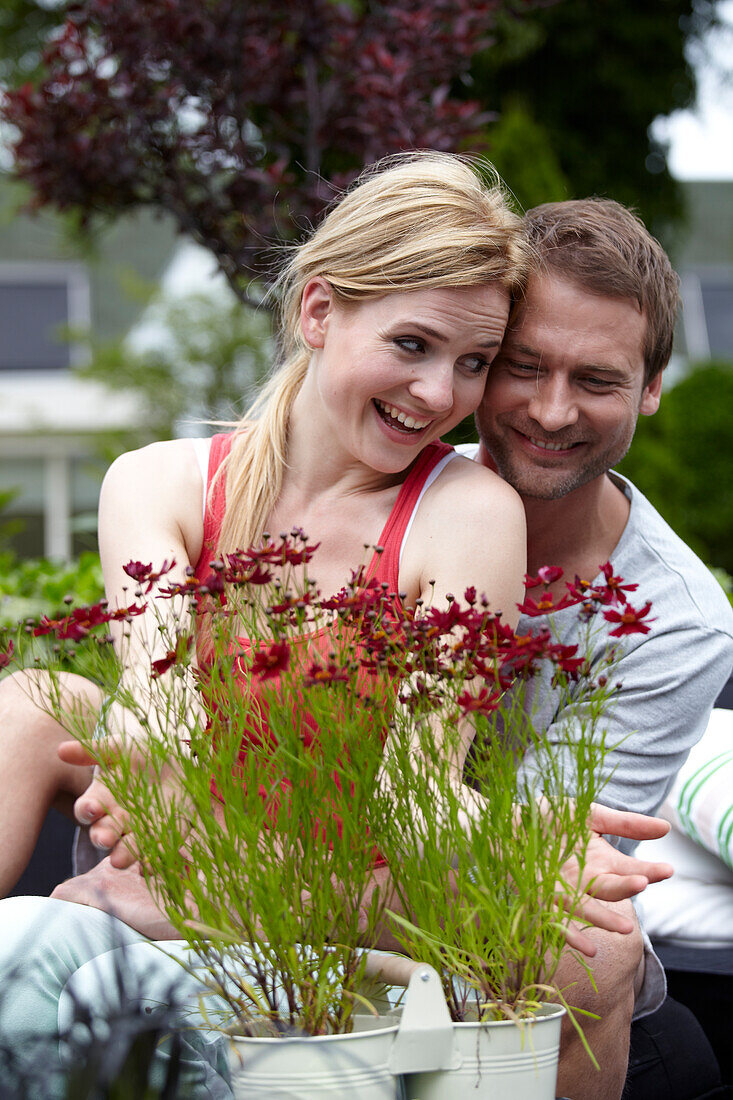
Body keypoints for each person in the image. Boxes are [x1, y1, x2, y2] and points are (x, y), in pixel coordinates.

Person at [0, 153, 673, 1099]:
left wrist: (522, 834)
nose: (440, 395)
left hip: (346, 870)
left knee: (602, 950)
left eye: (474, 363)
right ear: (318, 312)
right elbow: (161, 712)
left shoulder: (468, 511)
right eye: (411, 345)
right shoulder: (157, 482)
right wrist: (145, 742)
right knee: (31, 700)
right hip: (161, 827)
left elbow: (416, 779)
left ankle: (179, 913)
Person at [461, 197, 733, 1099]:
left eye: (597, 380)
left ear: (650, 387)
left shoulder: (674, 620)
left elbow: (546, 870)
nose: (550, 410)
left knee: (612, 970)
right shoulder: (377, 490)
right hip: (322, 871)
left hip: (508, 949)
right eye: (521, 366)